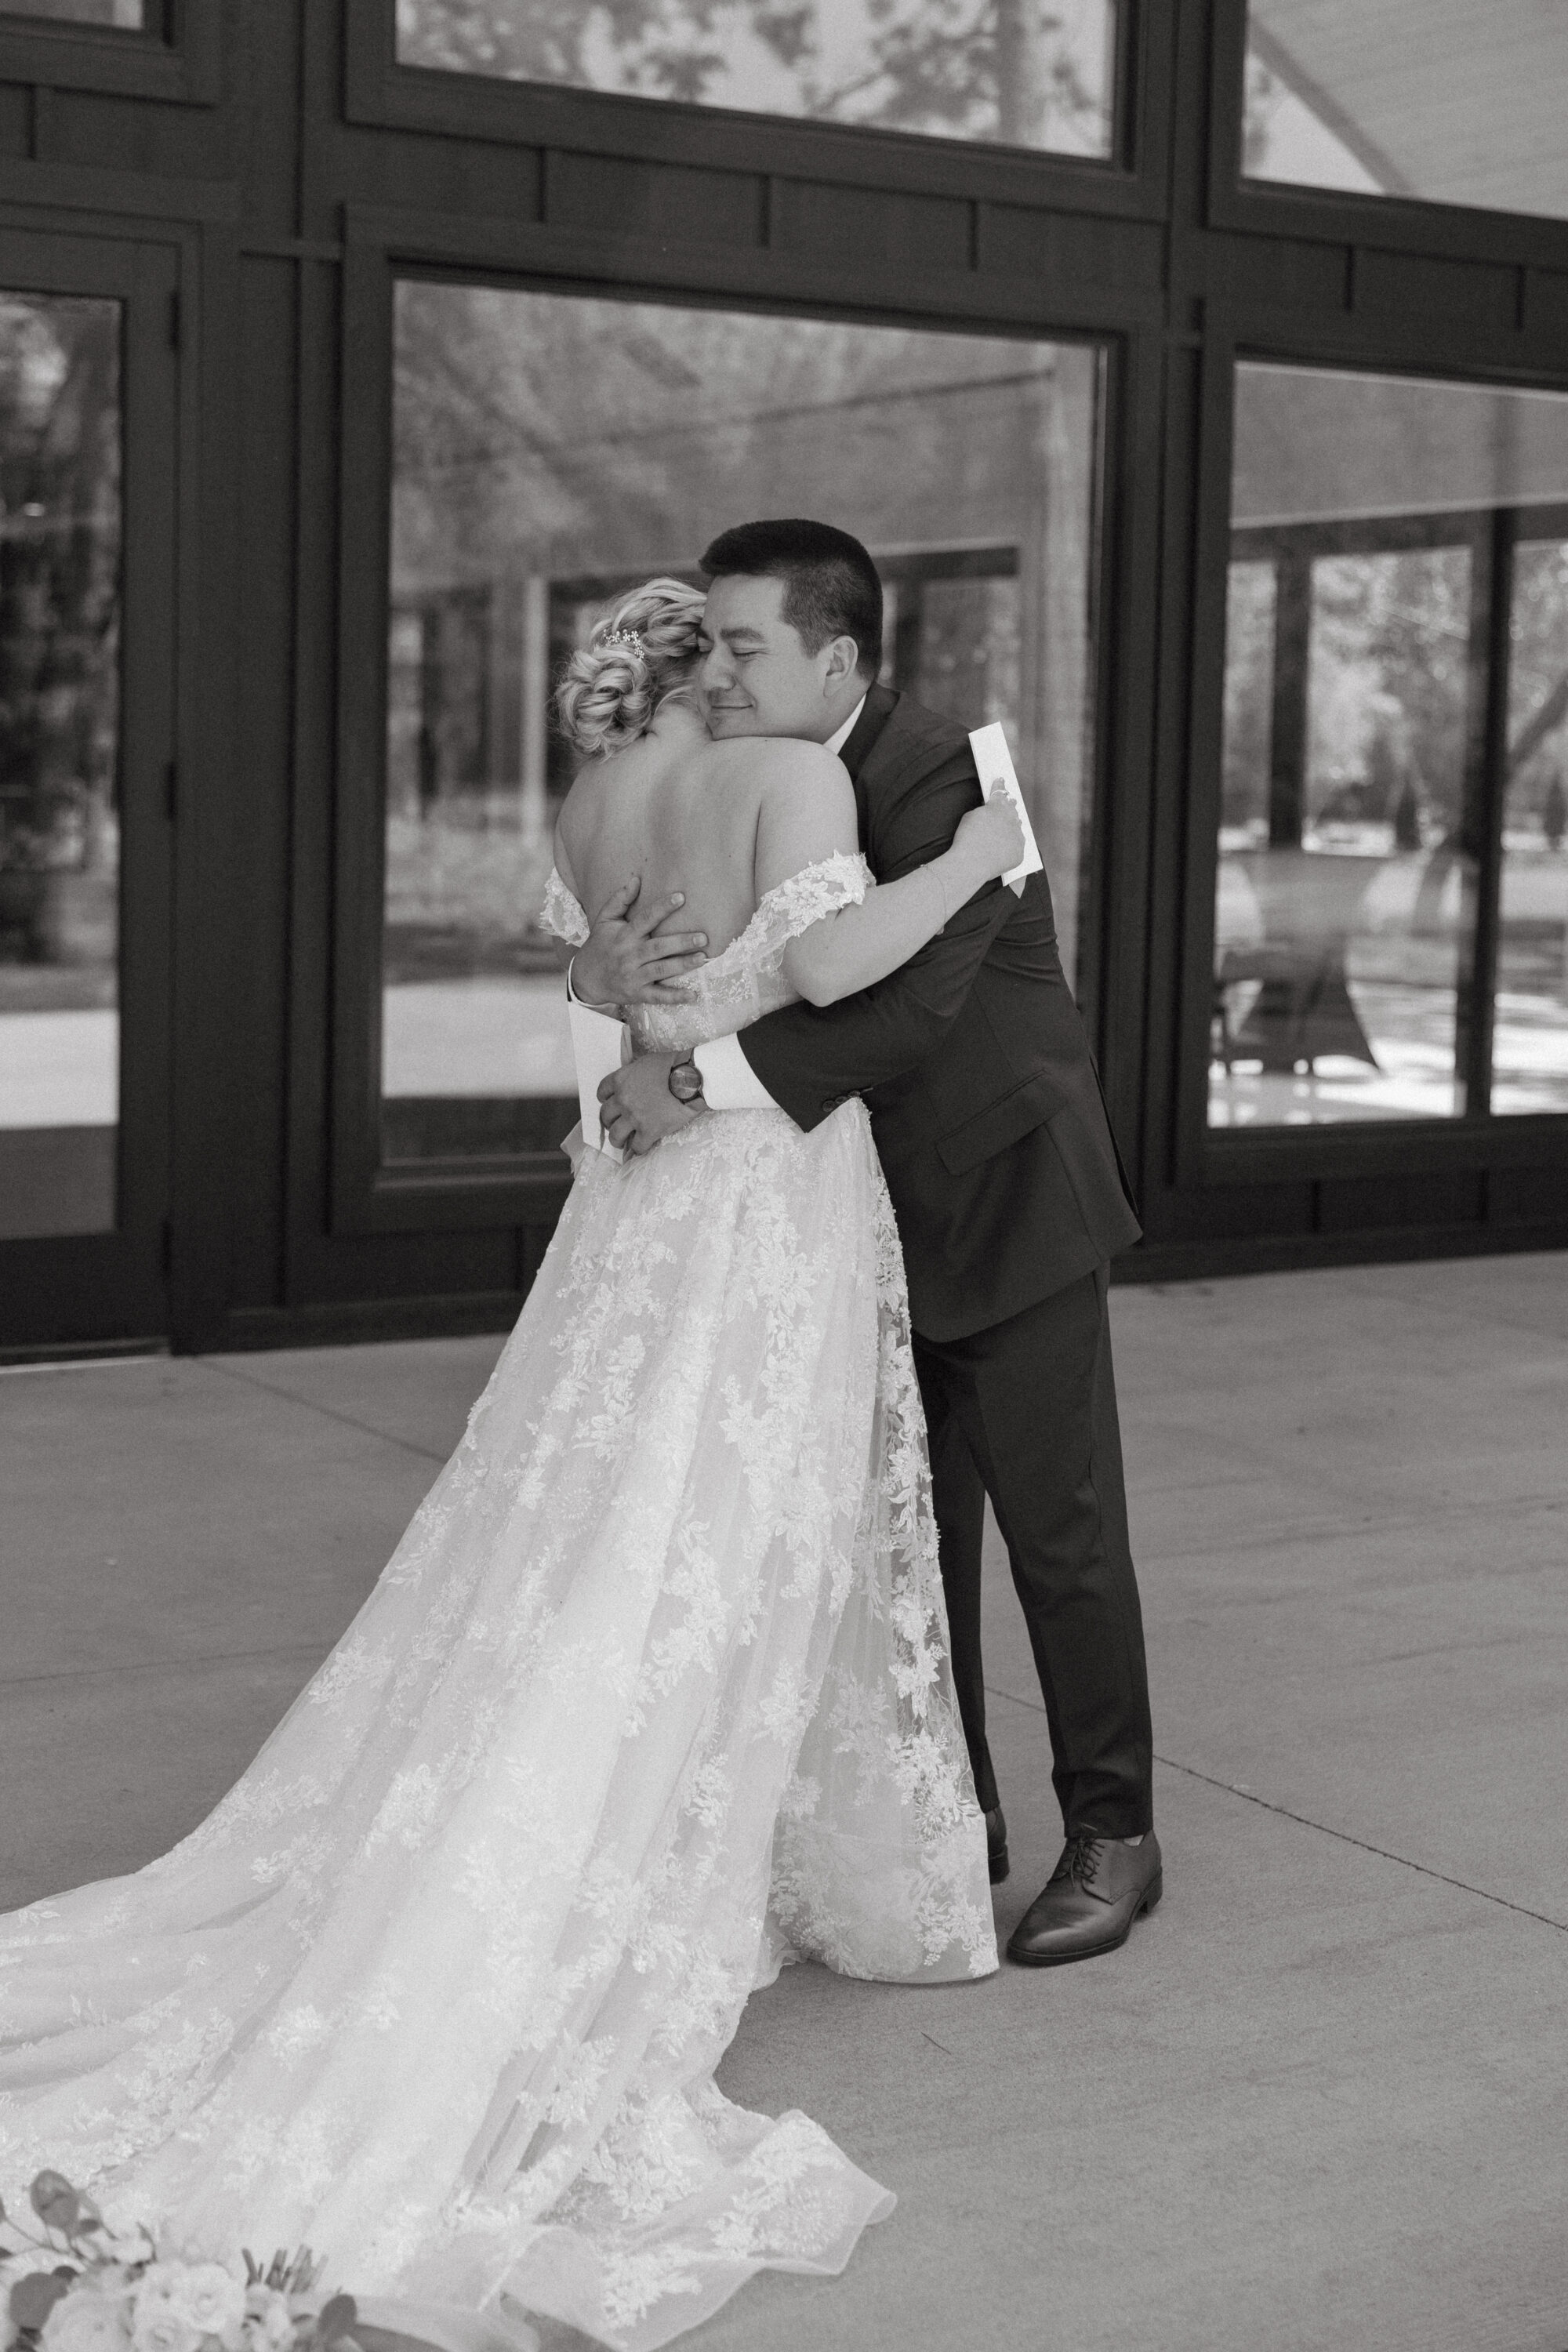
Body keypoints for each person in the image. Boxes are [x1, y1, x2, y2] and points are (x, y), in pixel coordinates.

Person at [0, 577, 1027, 2352]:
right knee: (730, 1527)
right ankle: (653, 1837)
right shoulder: (786, 781)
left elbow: (602, 986)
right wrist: (979, 858)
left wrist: (603, 982)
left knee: (589, 1513)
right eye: (735, 647)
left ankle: (627, 1806)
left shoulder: (592, 802)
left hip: (630, 1194)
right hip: (758, 1196)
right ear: (716, 669)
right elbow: (832, 969)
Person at [593, 521, 1160, 1969]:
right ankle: (951, 1824)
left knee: (1061, 1538)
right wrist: (601, 975)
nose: (713, 672)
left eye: (744, 648)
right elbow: (660, 929)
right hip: (847, 1224)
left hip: (1004, 1203)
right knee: (911, 1553)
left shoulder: (955, 780)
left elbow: (892, 1013)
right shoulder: (754, 775)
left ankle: (1117, 1833)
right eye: (706, 645)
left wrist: (685, 1081)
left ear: (836, 657)